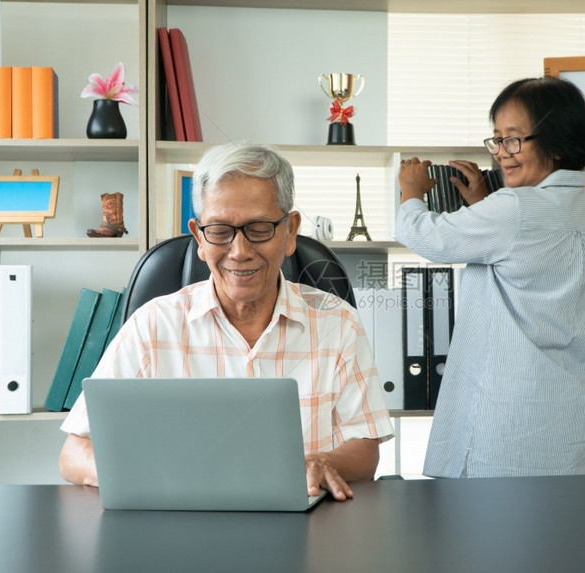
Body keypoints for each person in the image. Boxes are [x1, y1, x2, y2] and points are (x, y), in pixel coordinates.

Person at [59, 142, 394, 500]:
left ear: (291, 231)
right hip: (180, 527)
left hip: (308, 530)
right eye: (219, 231)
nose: (239, 251)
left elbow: (364, 449)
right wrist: (156, 474)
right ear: (199, 238)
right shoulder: (152, 325)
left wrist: (321, 462)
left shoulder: (337, 322)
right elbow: (74, 453)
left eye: (260, 228)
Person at [395, 77, 585, 478]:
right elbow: (523, 257)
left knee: (492, 537)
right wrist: (483, 203)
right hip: (570, 427)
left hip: (507, 431)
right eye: (496, 140)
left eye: (514, 140)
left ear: (558, 143)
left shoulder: (514, 209)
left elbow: (426, 236)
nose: (501, 154)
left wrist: (411, 192)